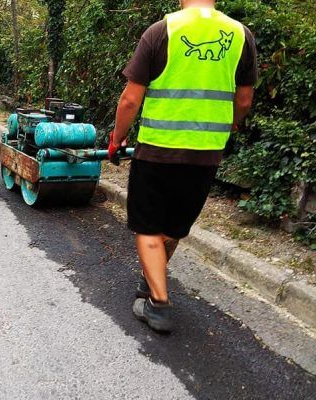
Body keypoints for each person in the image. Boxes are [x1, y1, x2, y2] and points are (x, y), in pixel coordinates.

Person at [108, 0, 258, 332]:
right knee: (174, 226)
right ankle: (151, 280)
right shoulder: (241, 35)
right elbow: (244, 100)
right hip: (205, 155)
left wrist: (117, 138)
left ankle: (158, 305)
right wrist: (230, 124)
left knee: (149, 228)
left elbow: (130, 99)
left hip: (157, 151)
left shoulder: (161, 31)